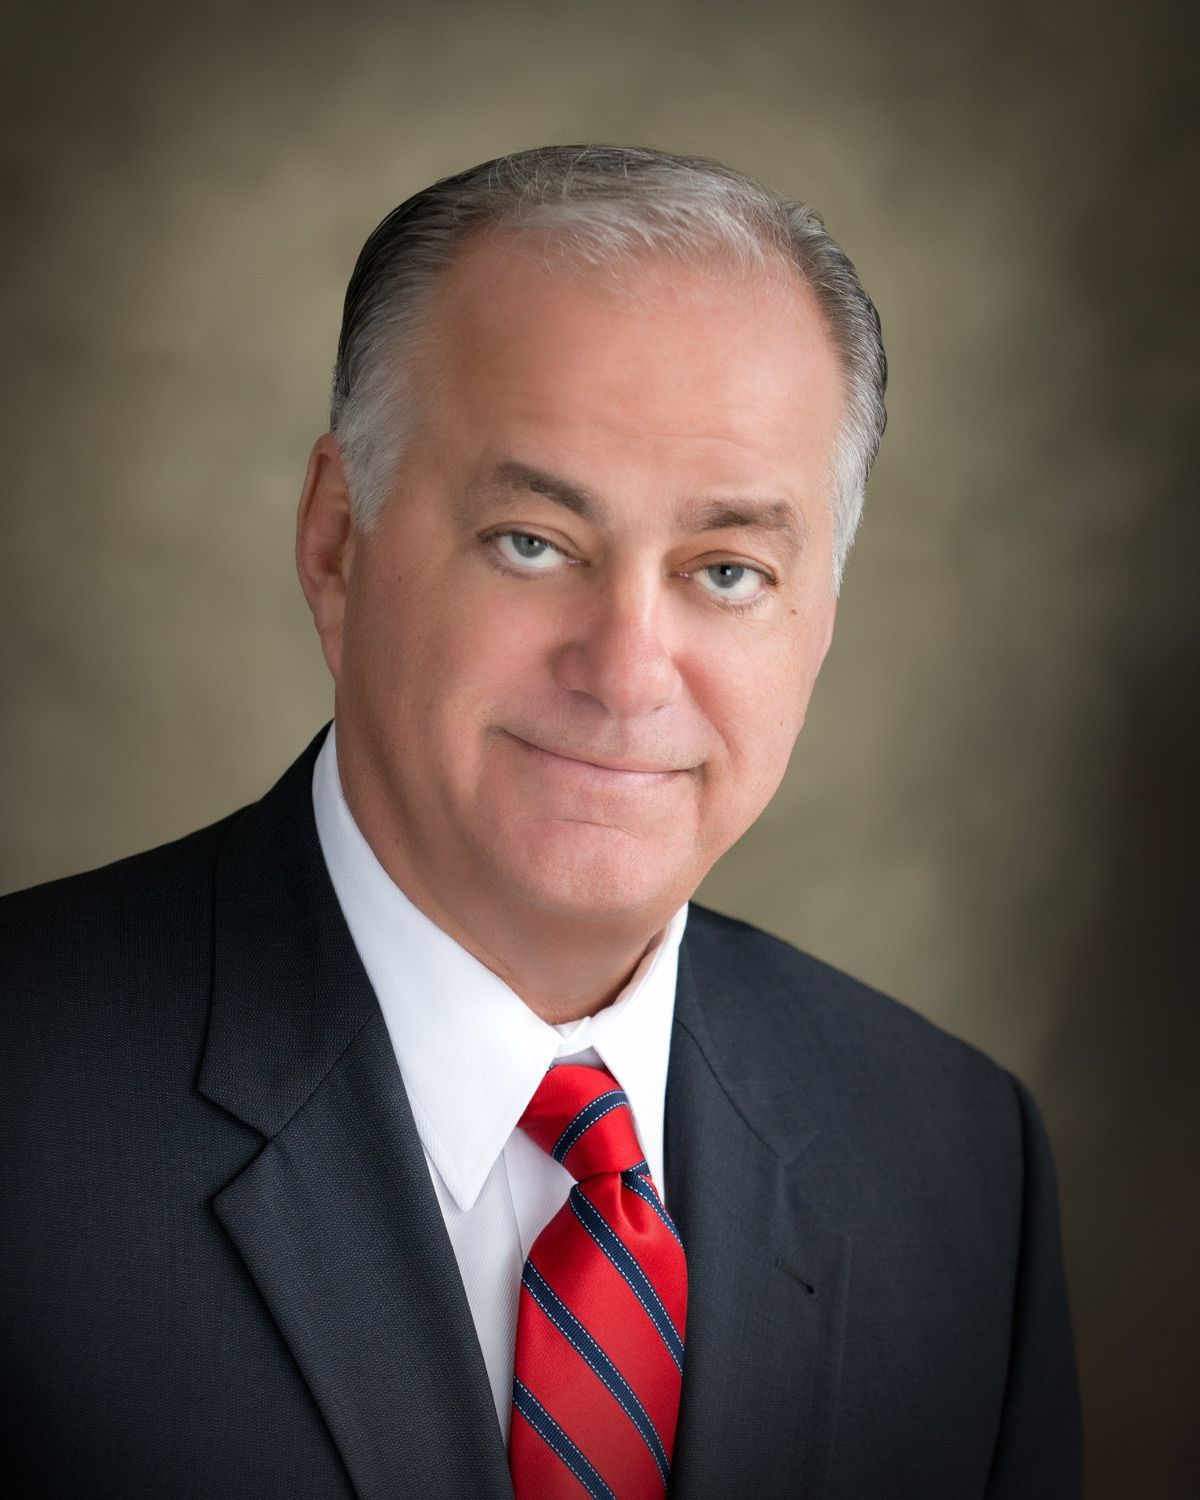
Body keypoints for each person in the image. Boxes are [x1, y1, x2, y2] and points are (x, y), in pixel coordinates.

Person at [0, 146, 1080, 1499]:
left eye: (729, 571)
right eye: (532, 540)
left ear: (820, 629)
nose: (627, 670)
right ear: (340, 543)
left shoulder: (959, 1163)